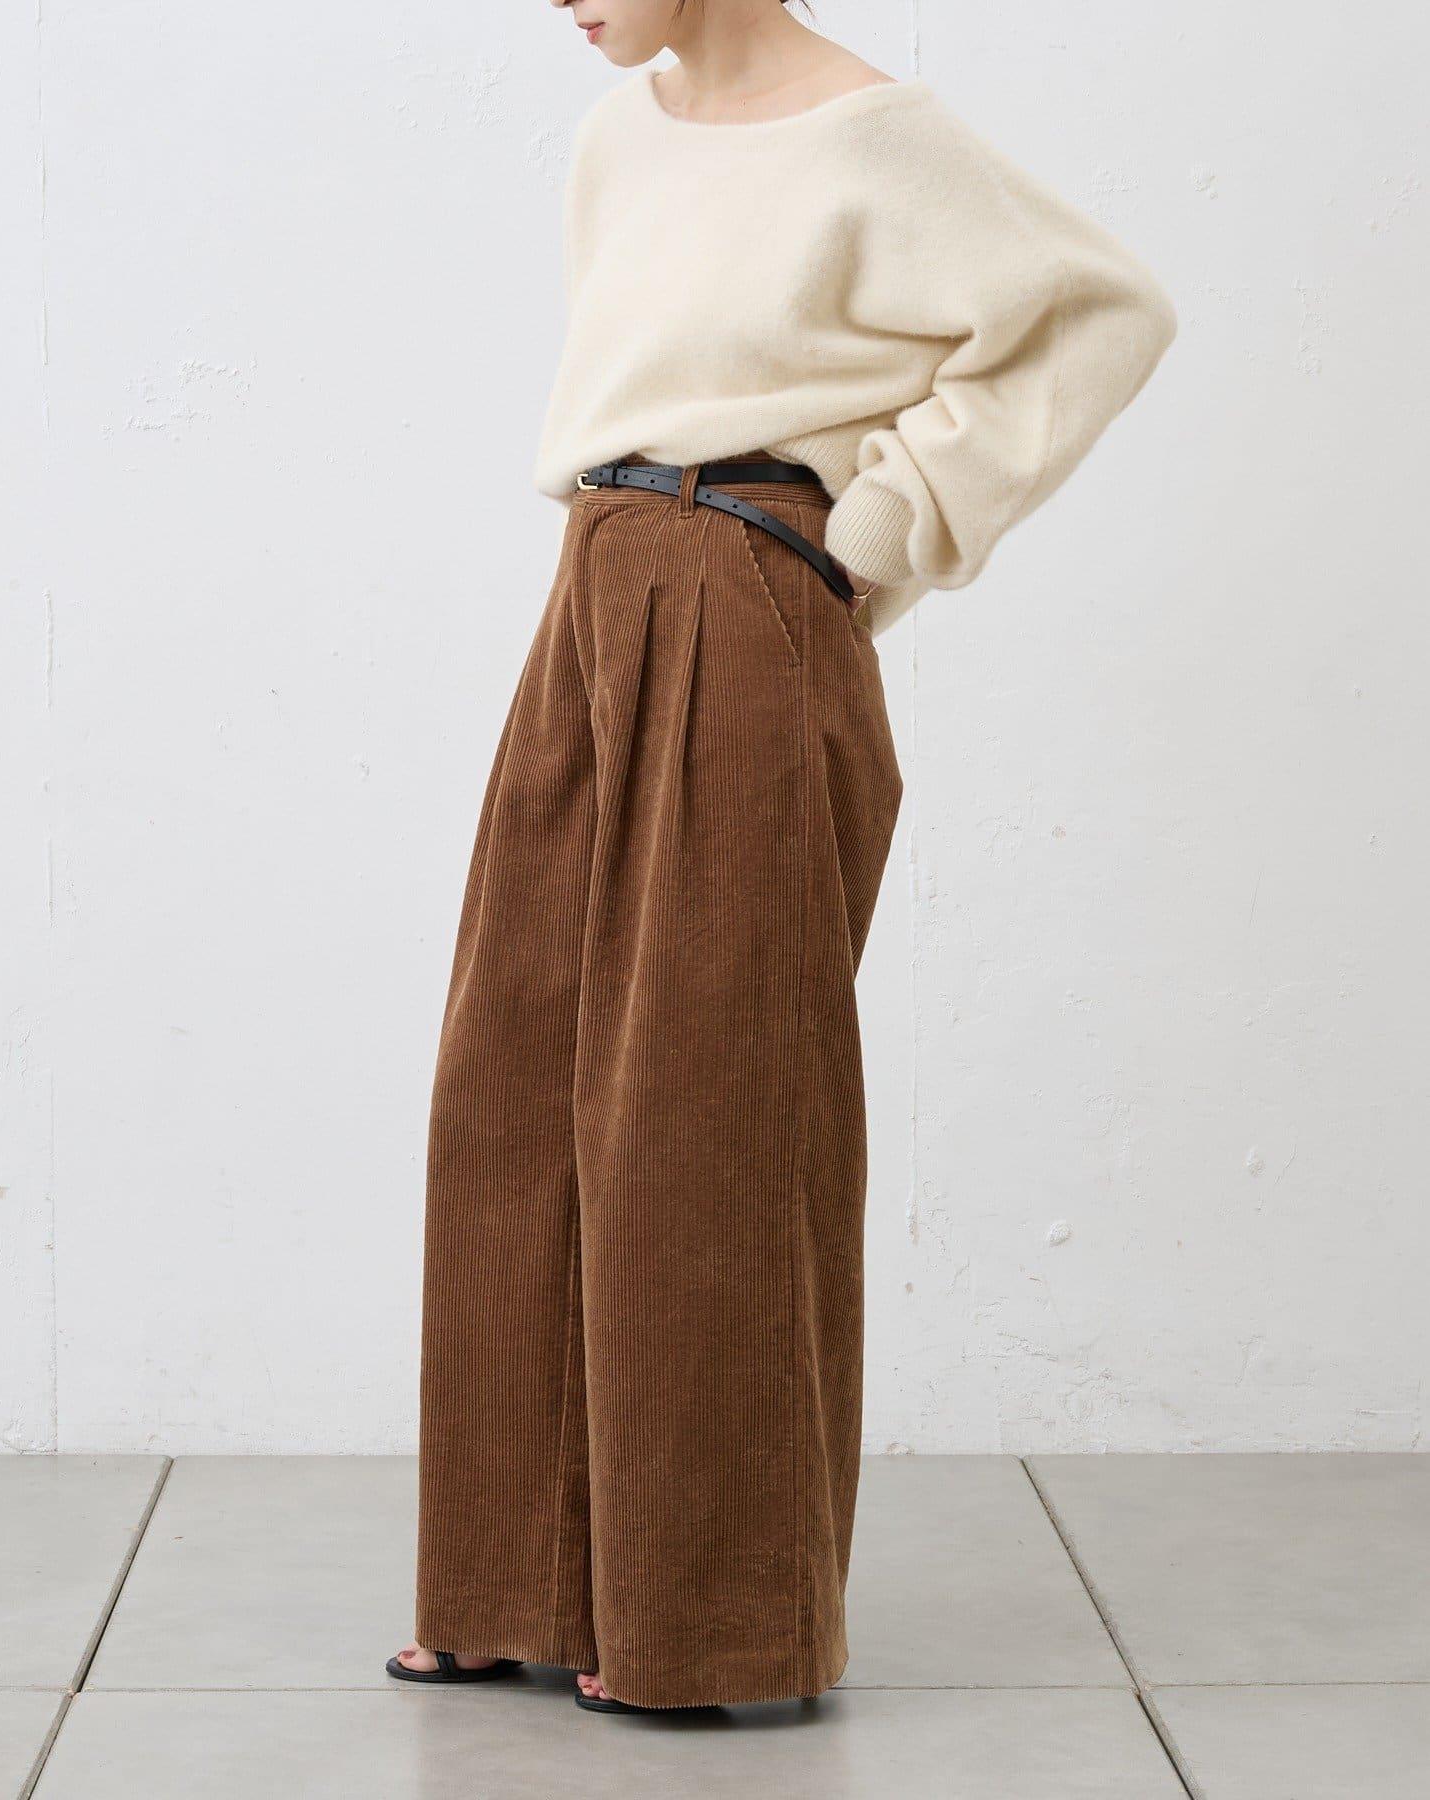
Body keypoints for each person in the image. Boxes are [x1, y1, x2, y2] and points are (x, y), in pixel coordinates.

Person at [388, 0, 1176, 1715]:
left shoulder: (881, 138)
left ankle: (704, 1625)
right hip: (594, 589)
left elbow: (1102, 311)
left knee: (706, 1113)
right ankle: (509, 1582)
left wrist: (879, 531)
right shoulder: (618, 136)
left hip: (749, 592)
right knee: (510, 1083)